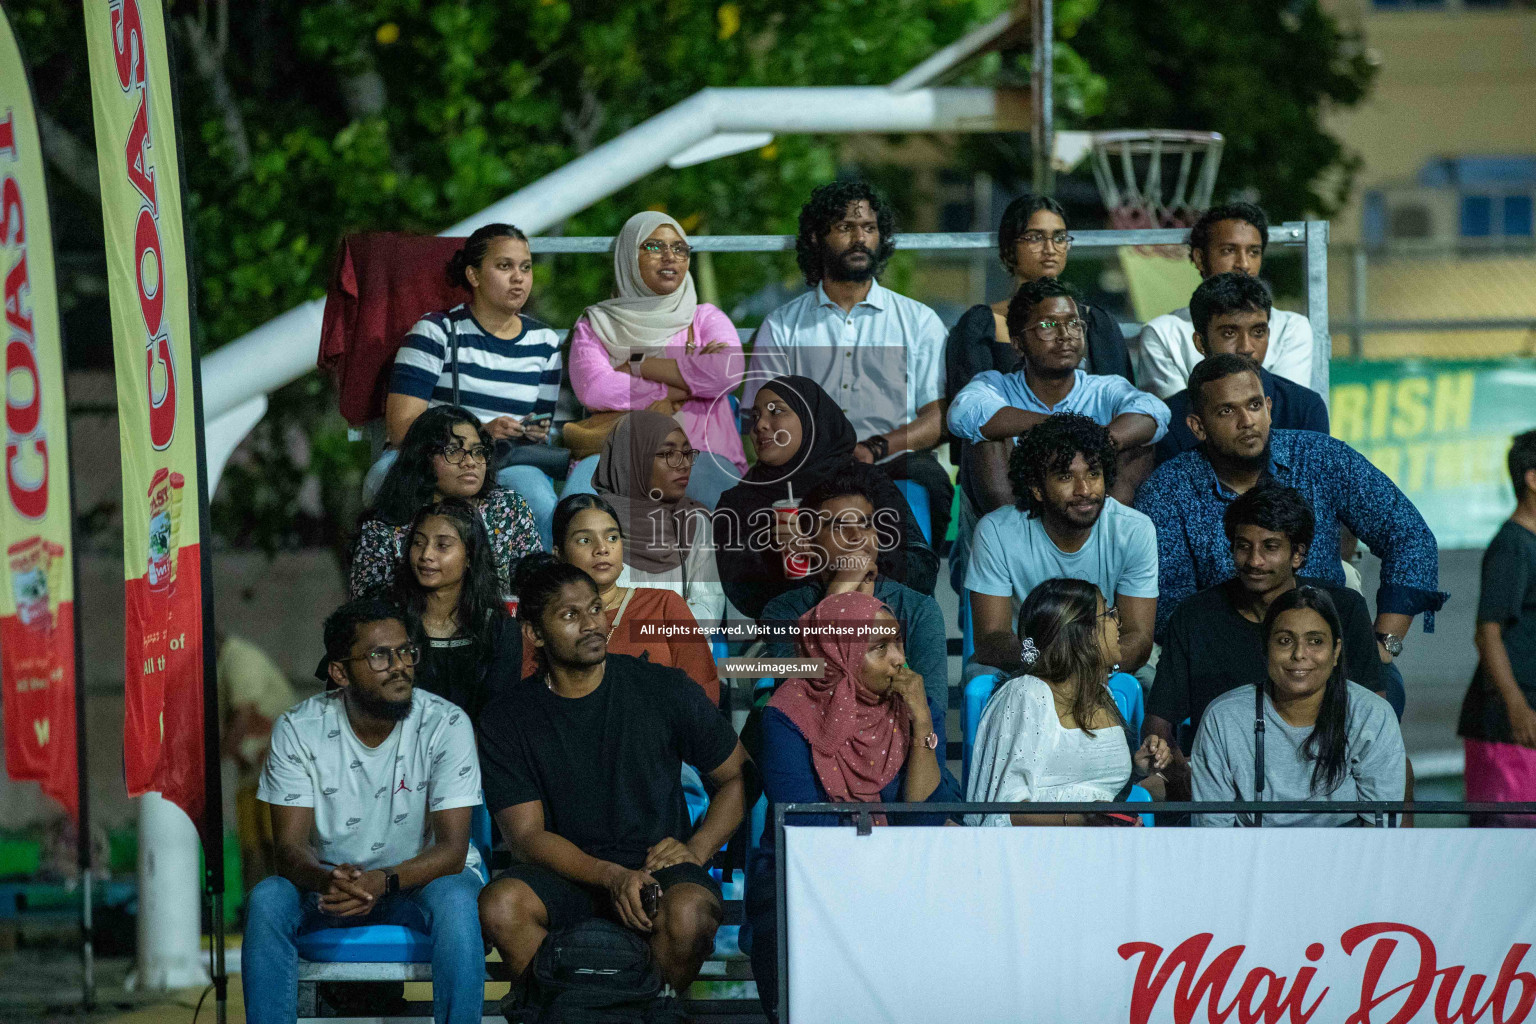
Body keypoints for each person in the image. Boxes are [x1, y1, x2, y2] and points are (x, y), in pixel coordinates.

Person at [477, 556, 749, 993]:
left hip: (658, 870)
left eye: (595, 609)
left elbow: (739, 777)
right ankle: (559, 1012)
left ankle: (653, 1011)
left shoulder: (663, 688)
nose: (591, 624)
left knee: (690, 913)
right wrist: (611, 876)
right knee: (502, 905)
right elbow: (526, 838)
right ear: (534, 633)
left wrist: (695, 850)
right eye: (570, 615)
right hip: (566, 874)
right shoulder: (506, 719)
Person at [244, 597, 485, 1024]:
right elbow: (289, 848)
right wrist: (327, 879)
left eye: (406, 651)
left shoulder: (446, 724)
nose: (400, 665)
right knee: (268, 900)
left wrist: (384, 881)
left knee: (457, 903)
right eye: (380, 655)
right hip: (333, 888)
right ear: (339, 672)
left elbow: (451, 851)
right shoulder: (299, 730)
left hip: (421, 880)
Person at [1135, 353, 1447, 657]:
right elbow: (1171, 611)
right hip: (1223, 658)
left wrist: (1385, 642)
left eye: (1254, 405)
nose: (1247, 422)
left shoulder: (1321, 457)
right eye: (1227, 412)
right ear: (1198, 427)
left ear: (1268, 409)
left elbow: (1410, 536)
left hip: (1332, 652)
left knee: (1383, 699)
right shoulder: (1167, 492)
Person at [746, 592, 957, 1021]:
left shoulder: (916, 707)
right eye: (879, 649)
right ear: (838, 653)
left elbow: (932, 817)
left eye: (898, 643)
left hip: (899, 874)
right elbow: (808, 828)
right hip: (804, 883)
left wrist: (923, 727)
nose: (899, 659)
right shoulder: (787, 716)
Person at [741, 181, 954, 549]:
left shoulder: (918, 322)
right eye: (845, 227)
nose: (860, 238)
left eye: (869, 228)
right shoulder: (782, 326)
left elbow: (936, 418)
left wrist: (875, 448)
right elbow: (760, 419)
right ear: (815, 238)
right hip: (807, 470)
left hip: (894, 465)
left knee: (911, 535)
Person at [1146, 486, 1385, 752]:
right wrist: (1177, 773)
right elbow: (1159, 722)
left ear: (1297, 554)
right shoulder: (1194, 616)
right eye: (1243, 547)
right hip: (1220, 773)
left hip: (1323, 764)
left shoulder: (1343, 609)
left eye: (1270, 547)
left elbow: (1374, 713)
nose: (1254, 561)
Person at [366, 224, 563, 547]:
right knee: (388, 479)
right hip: (432, 458)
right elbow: (401, 428)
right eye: (504, 266)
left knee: (539, 500)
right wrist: (481, 433)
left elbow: (541, 425)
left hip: (507, 462)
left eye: (525, 267)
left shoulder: (545, 342)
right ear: (473, 275)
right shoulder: (436, 331)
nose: (519, 277)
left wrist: (531, 432)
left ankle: (530, 592)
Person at [946, 195, 1135, 515]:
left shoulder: (1096, 323)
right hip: (1009, 473)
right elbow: (970, 420)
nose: (1050, 247)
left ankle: (1108, 529)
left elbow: (1123, 407)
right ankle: (1012, 536)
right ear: (1008, 248)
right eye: (1035, 237)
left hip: (1087, 466)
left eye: (1059, 237)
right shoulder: (984, 324)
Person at [714, 375, 939, 619]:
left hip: (885, 631)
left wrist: (835, 557)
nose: (759, 425)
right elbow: (748, 601)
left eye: (776, 412)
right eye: (754, 417)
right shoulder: (738, 503)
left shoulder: (866, 481)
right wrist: (782, 556)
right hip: (796, 639)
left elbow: (922, 571)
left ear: (810, 417)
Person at [564, 212, 747, 508]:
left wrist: (638, 365)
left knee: (732, 514)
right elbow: (596, 389)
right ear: (627, 256)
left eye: (679, 248)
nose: (669, 256)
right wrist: (676, 389)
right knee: (577, 509)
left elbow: (727, 373)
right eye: (653, 247)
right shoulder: (596, 322)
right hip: (619, 452)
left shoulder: (704, 318)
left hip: (702, 452)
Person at [758, 465, 951, 737]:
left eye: (866, 523)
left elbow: (931, 718)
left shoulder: (919, 610)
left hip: (901, 749)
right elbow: (799, 703)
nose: (858, 536)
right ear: (809, 542)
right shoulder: (783, 612)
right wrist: (839, 595)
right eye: (839, 526)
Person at [966, 578, 1173, 827]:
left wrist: (1137, 768)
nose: (1119, 622)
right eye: (1108, 614)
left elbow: (1094, 788)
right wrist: (1080, 819)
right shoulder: (1028, 695)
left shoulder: (1101, 695)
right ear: (1079, 634)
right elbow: (999, 813)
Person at [1192, 586, 1406, 827]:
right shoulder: (1223, 718)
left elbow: (1379, 831)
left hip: (1346, 861)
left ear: (1336, 652)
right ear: (1265, 650)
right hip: (1250, 862)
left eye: (1315, 641)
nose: (1299, 654)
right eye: (1285, 641)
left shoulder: (1372, 716)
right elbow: (1211, 834)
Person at [948, 277, 1169, 508]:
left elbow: (1155, 411)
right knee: (984, 435)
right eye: (1047, 325)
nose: (1065, 334)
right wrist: (1064, 428)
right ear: (1017, 344)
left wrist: (1100, 440)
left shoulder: (1105, 387)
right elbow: (962, 413)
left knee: (1139, 439)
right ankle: (1013, 535)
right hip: (1016, 516)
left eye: (1074, 323)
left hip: (1091, 515)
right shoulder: (996, 386)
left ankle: (1105, 531)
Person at [965, 414, 1158, 677]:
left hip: (1103, 662)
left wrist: (1083, 663)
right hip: (1027, 659)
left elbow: (1138, 637)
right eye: (1066, 477)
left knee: (1148, 680)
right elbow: (991, 639)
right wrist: (1046, 660)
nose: (1085, 490)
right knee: (979, 675)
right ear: (1036, 488)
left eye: (1093, 473)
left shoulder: (1134, 529)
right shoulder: (997, 531)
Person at [526, 493, 720, 704]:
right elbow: (531, 699)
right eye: (585, 540)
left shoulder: (665, 605)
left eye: (612, 538)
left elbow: (703, 694)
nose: (602, 549)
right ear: (559, 554)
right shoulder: (545, 620)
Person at [351, 405, 541, 601]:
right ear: (423, 457)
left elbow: (535, 587)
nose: (470, 462)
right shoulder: (384, 527)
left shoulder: (508, 508)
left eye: (477, 451)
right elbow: (367, 611)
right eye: (454, 451)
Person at [1136, 202, 1314, 400]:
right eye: (1229, 251)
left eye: (1253, 252)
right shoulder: (1162, 333)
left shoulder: (1291, 327)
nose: (1244, 264)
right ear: (1200, 259)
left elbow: (1287, 409)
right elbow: (1178, 419)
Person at [1154, 273, 1329, 465]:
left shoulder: (1304, 407)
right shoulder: (1170, 419)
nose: (1246, 347)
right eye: (1229, 333)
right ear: (1200, 342)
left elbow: (1315, 488)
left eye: (1258, 332)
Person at [580, 410, 728, 630]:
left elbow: (709, 608)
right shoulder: (594, 523)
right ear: (632, 460)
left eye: (687, 453)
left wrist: (652, 634)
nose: (684, 464)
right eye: (667, 453)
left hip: (681, 651)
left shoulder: (693, 521)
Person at [1457, 430, 1536, 826]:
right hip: (1507, 729)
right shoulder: (1512, 546)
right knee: (1506, 847)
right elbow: (1486, 632)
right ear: (1532, 479)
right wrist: (1517, 707)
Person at [392, 499, 521, 722]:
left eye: (442, 545)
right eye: (418, 543)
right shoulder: (389, 623)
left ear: (470, 556)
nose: (426, 555)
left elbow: (499, 718)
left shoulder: (499, 629)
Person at [218, 634, 296, 892]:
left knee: (278, 846)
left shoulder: (240, 657)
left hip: (275, 766)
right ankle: (255, 914)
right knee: (251, 849)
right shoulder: (223, 663)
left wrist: (214, 757)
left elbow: (243, 715)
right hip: (253, 769)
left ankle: (287, 910)